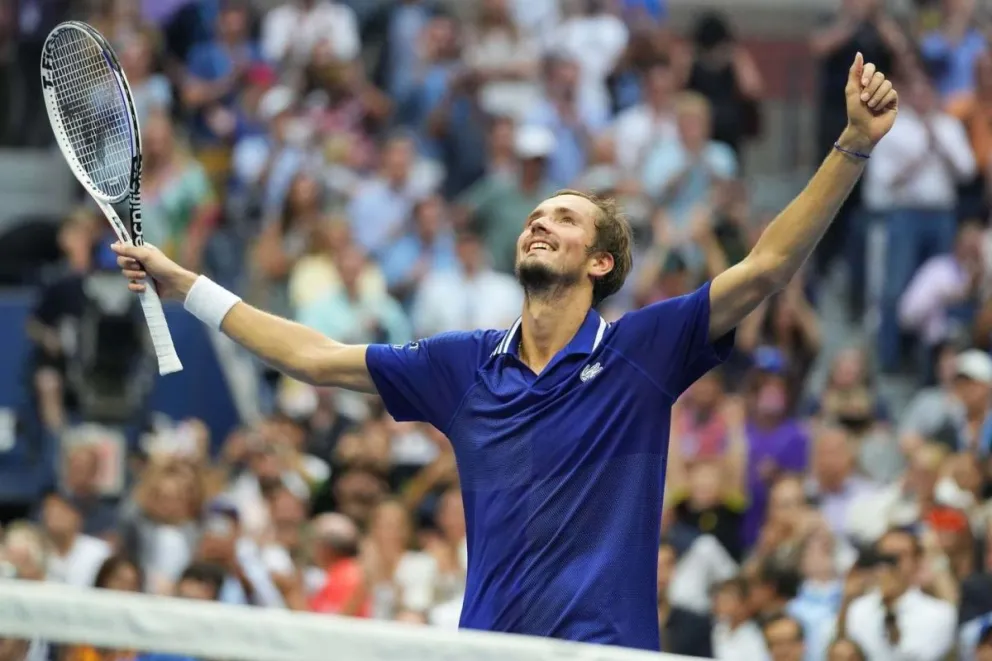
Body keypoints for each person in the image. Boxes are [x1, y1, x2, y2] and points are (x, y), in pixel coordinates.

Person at [111, 54, 899, 650]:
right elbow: (315, 356)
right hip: (488, 646)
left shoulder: (641, 353)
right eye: (535, 215)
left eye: (563, 217)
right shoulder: (460, 366)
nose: (539, 222)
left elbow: (763, 268)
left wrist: (852, 147)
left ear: (600, 263)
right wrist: (190, 288)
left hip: (605, 652)